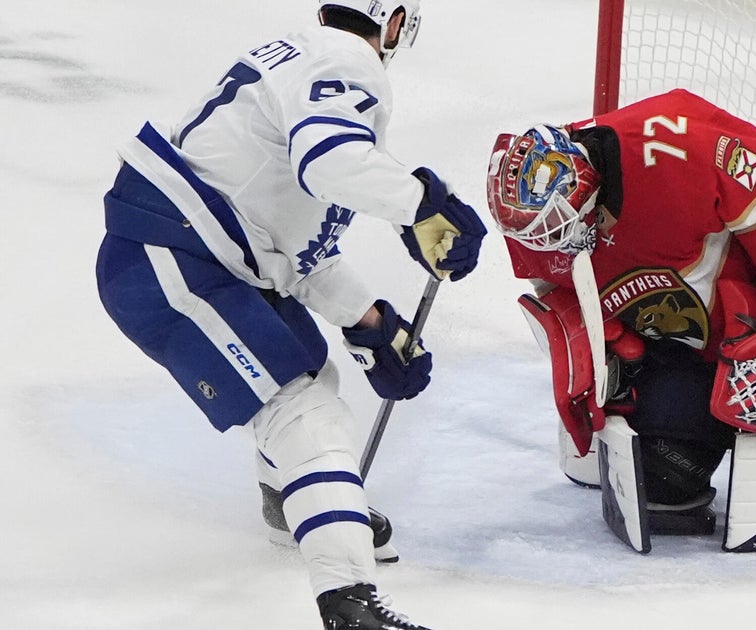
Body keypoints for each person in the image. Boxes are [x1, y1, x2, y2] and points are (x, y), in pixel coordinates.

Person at [95, 1, 487, 628]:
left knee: (310, 377)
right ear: (391, 19)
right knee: (301, 409)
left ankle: (297, 507)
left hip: (197, 253)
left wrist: (369, 321)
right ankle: (348, 599)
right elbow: (331, 164)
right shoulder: (347, 58)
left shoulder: (300, 55)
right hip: (174, 256)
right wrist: (421, 202)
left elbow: (294, 245)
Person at [486, 88, 756, 536]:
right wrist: (608, 352)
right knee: (660, 486)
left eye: (564, 229)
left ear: (588, 187)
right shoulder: (532, 220)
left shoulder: (672, 140)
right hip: (684, 351)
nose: (559, 245)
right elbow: (557, 292)